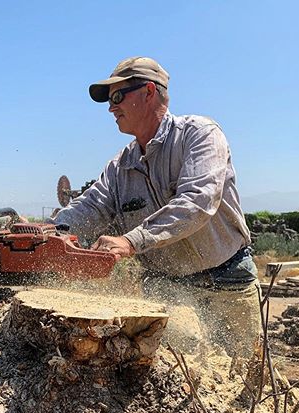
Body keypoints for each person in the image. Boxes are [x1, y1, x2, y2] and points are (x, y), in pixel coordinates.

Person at [54, 56, 261, 358]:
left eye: (117, 96)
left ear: (149, 92)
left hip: (225, 281)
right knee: (173, 381)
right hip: (167, 288)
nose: (111, 107)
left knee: (245, 377)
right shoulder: (121, 166)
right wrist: (47, 230)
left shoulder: (199, 135)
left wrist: (130, 241)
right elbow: (90, 207)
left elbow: (197, 201)